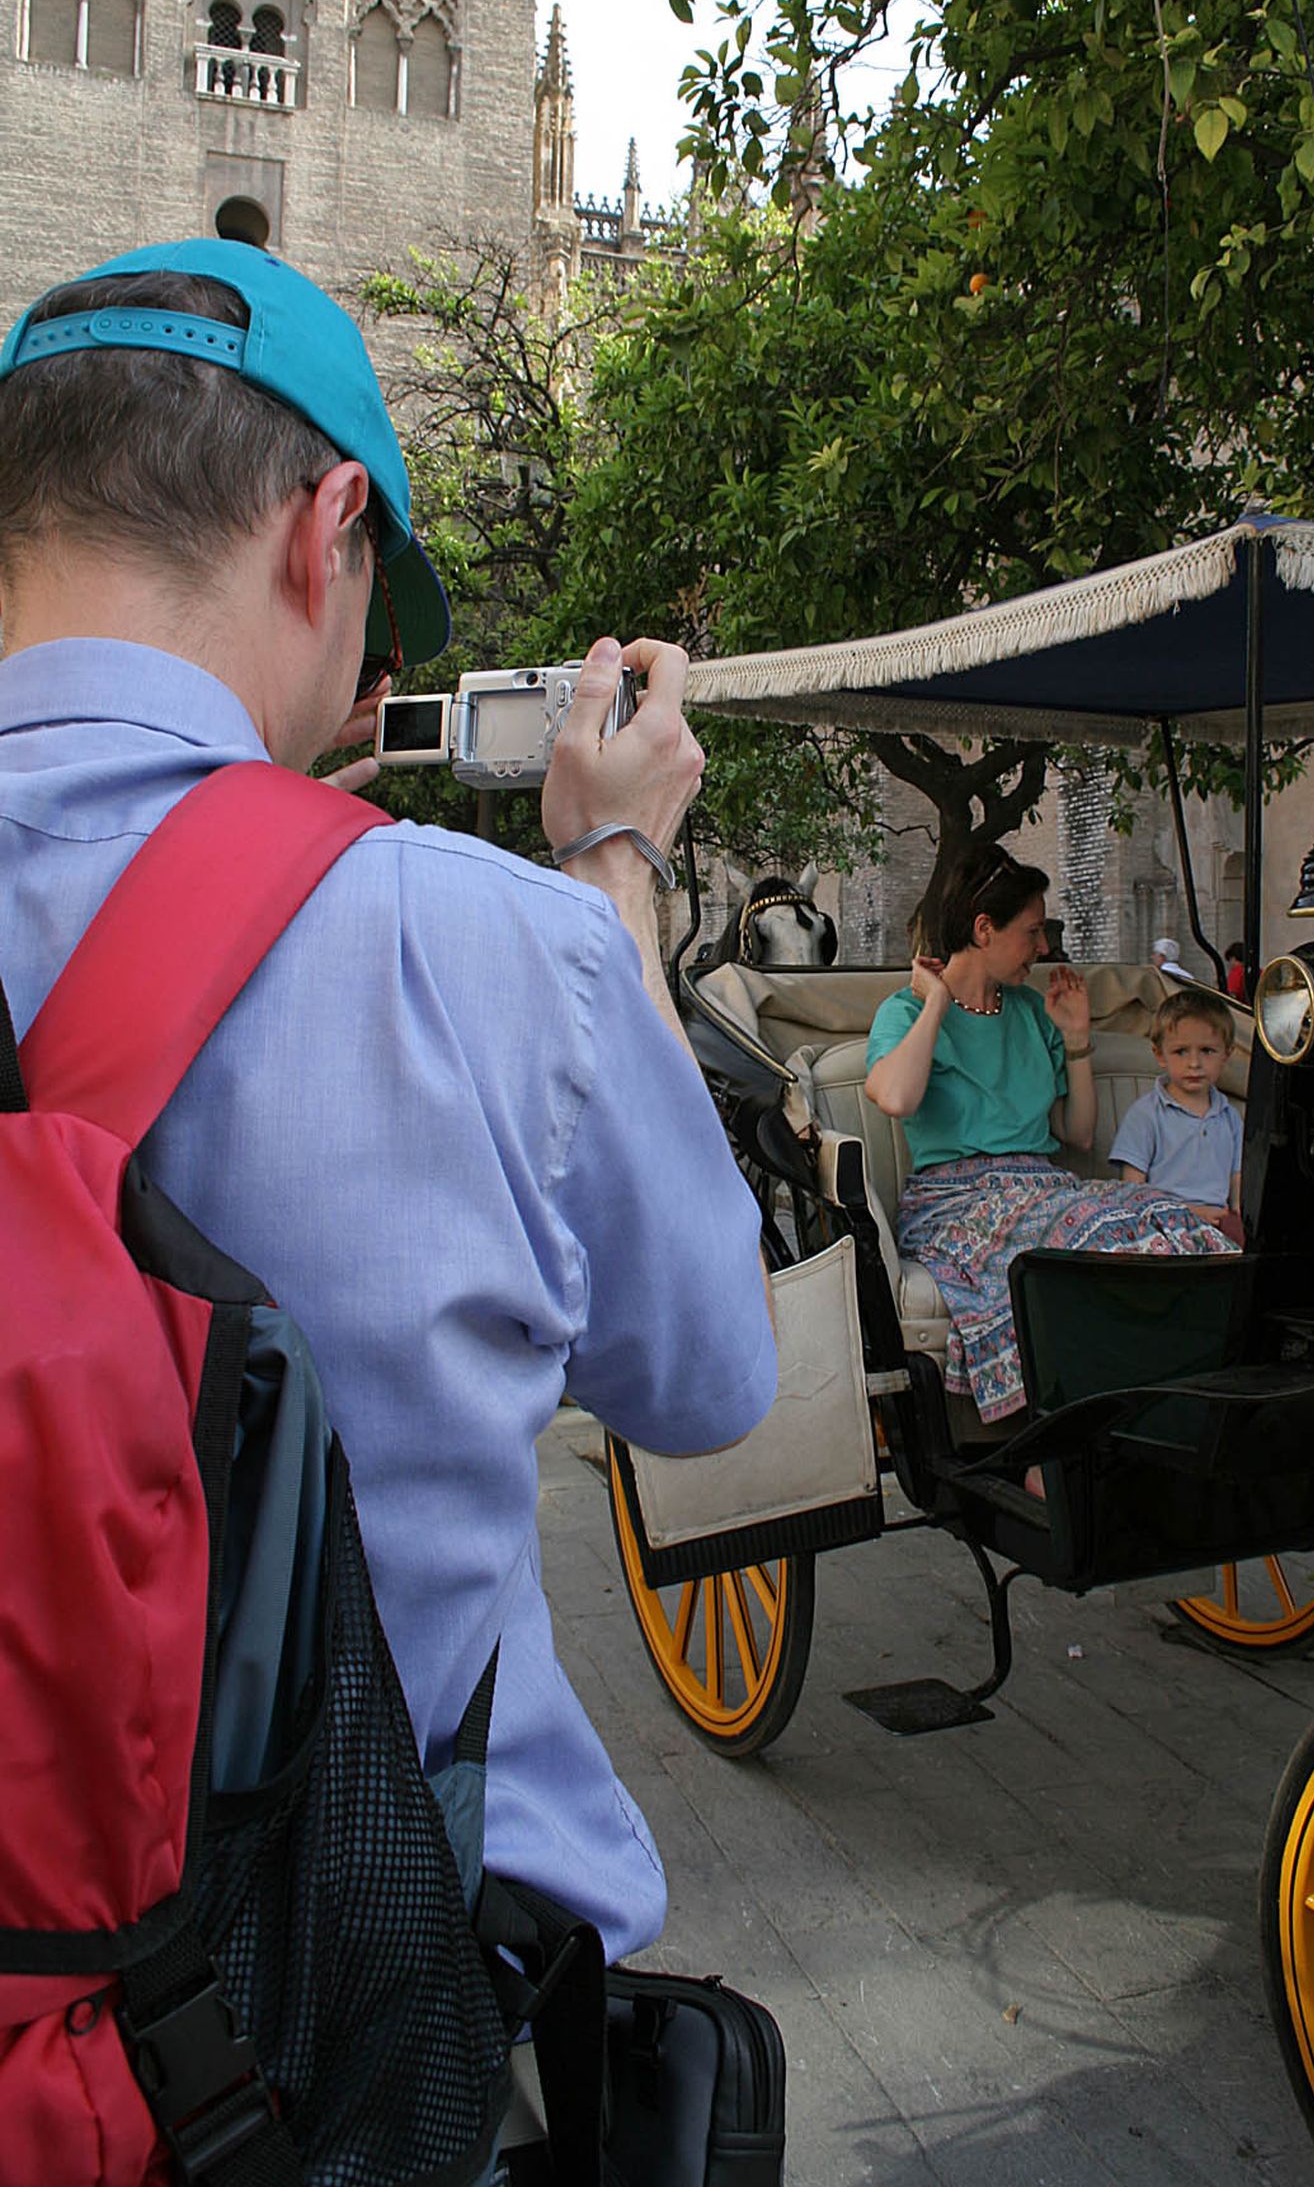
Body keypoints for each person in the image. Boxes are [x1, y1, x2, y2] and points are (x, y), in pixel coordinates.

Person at [0, 239, 777, 1964]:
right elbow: (715, 1379)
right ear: (324, 525)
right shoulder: (496, 950)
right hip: (368, 2019)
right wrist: (615, 870)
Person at [864, 844, 1234, 1424]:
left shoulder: (1031, 1011)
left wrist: (1077, 1039)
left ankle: (1164, 1417)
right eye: (1032, 932)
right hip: (956, 1202)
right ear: (984, 929)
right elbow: (895, 1098)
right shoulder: (905, 1013)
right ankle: (1071, 1436)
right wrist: (937, 1002)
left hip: (1042, 1188)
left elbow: (1077, 1135)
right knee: (1095, 1238)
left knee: (1169, 1219)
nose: (1043, 948)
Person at [1111, 987, 1244, 1245]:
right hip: (1162, 1224)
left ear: (1226, 1054)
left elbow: (1238, 1178)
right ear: (1160, 1055)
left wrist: (1239, 1218)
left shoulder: (1230, 1117)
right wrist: (1189, 1213)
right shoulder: (1146, 1114)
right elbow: (1132, 1192)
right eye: (1181, 1051)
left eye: (1207, 1050)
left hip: (1219, 1224)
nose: (1194, 1063)